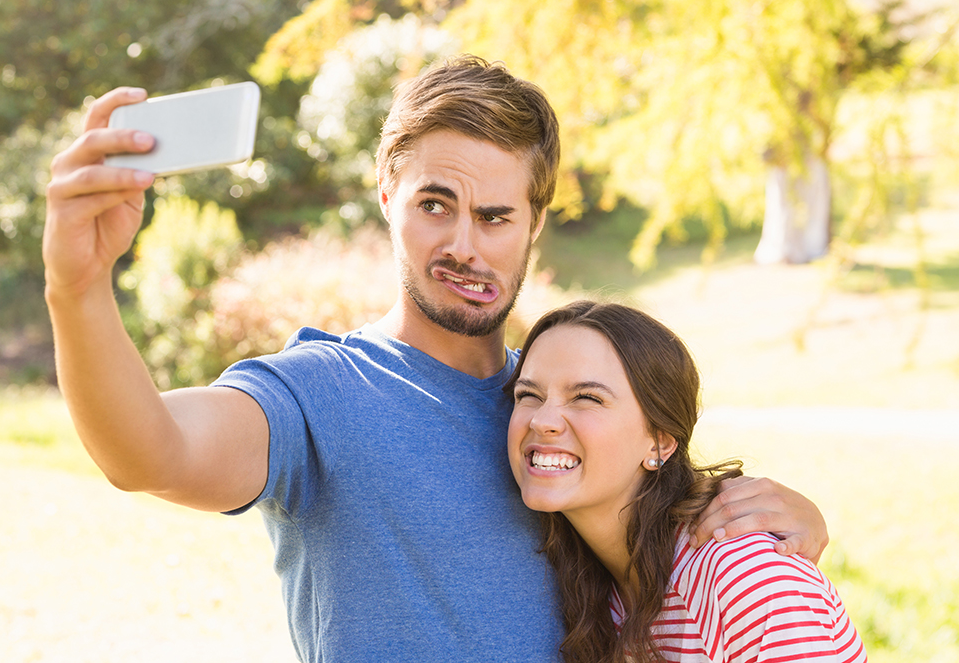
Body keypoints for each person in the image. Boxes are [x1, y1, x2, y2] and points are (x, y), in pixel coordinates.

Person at [43, 55, 829, 661]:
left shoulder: (561, 416)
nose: (464, 245)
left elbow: (689, 549)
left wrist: (796, 523)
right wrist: (77, 289)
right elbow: (150, 451)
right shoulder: (318, 392)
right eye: (434, 205)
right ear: (387, 194)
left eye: (494, 216)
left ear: (534, 222)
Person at [506, 300, 866, 663]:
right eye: (528, 395)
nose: (542, 420)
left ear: (661, 440)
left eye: (587, 397)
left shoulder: (745, 578)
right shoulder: (592, 587)